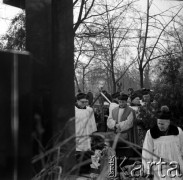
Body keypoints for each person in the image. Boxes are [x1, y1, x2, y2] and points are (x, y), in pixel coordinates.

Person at [142, 106, 183, 180]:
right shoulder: (151, 133)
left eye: (162, 124)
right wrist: (147, 169)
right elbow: (147, 152)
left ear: (168, 122)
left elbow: (182, 148)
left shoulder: (178, 132)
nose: (160, 126)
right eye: (159, 123)